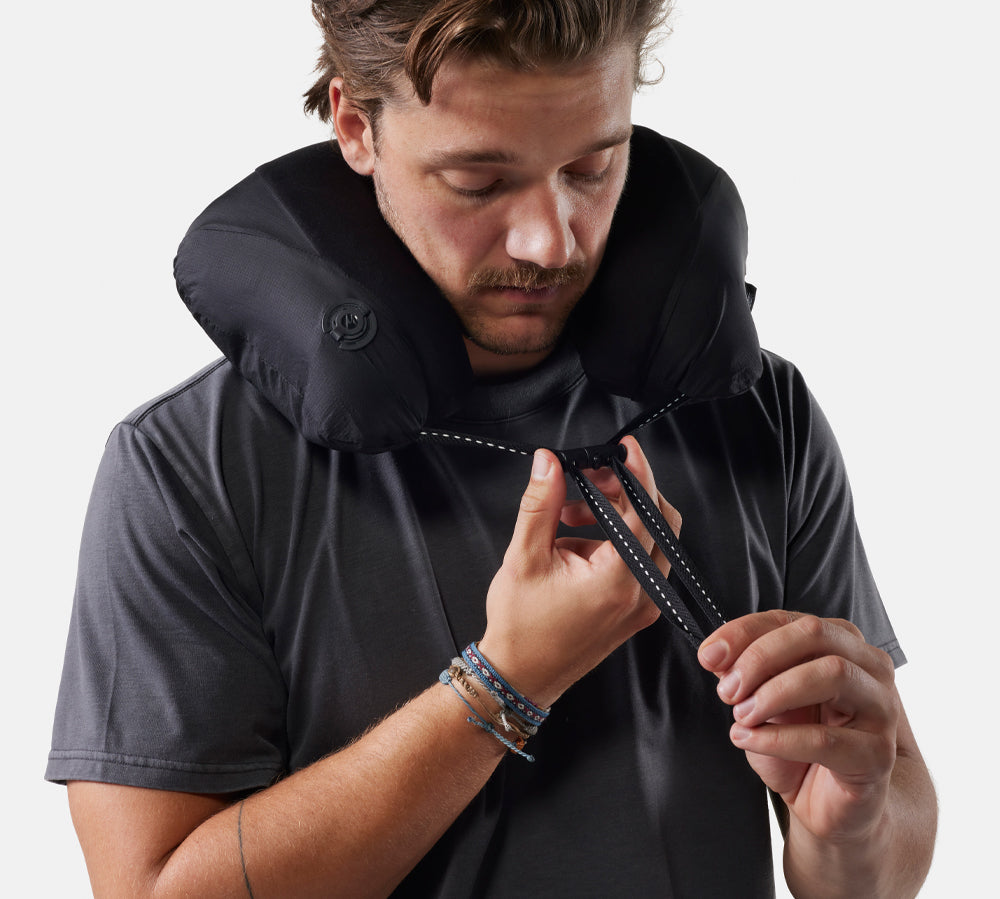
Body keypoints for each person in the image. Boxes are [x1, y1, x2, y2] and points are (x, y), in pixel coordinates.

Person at [48, 1, 937, 896]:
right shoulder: (188, 467)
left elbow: (872, 867)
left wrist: (854, 822)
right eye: (478, 182)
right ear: (355, 124)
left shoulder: (758, 409)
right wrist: (504, 682)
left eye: (592, 167)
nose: (550, 240)